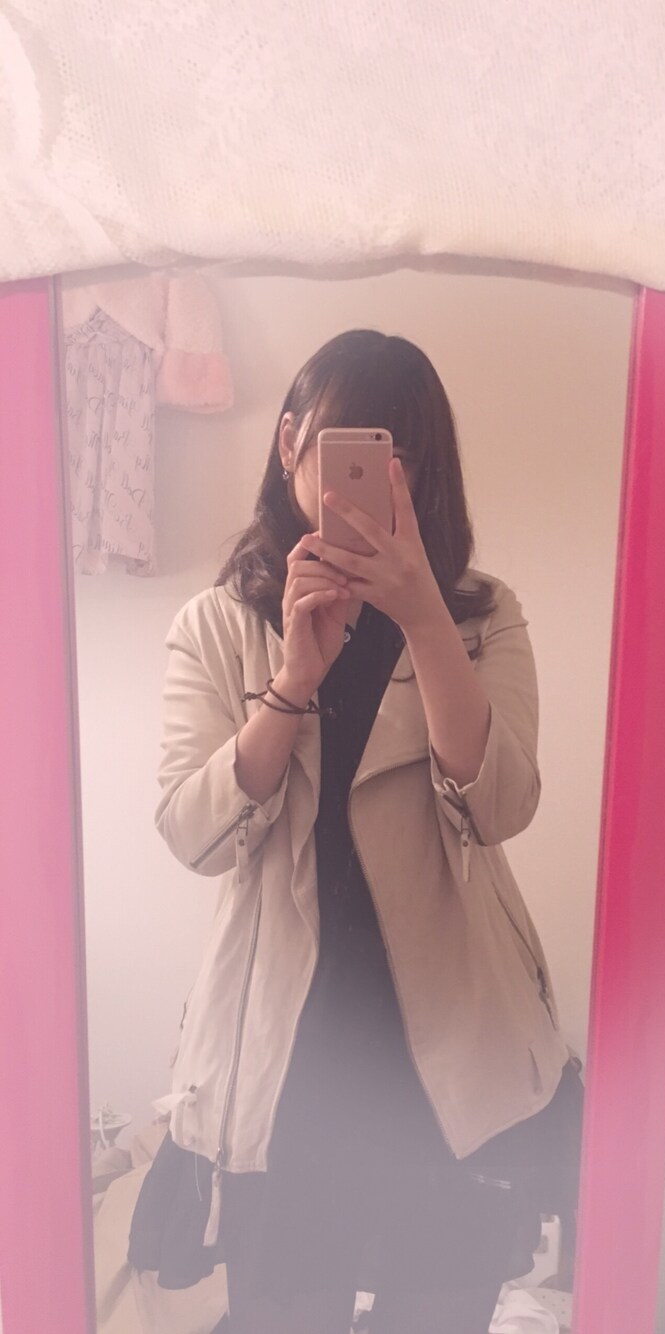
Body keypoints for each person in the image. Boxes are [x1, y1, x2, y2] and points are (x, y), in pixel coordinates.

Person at [127, 330, 582, 1334]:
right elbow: (195, 834)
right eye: (352, 447)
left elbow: (501, 807)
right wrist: (292, 679)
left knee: (439, 1312)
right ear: (290, 441)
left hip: (453, 1041)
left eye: (401, 455)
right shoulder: (217, 625)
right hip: (287, 1049)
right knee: (286, 1312)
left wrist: (425, 620)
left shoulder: (480, 617)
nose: (377, 479)